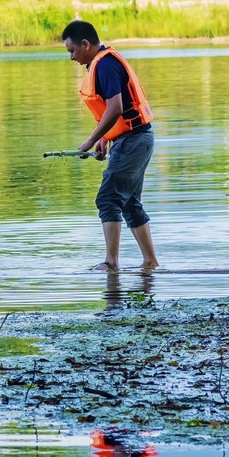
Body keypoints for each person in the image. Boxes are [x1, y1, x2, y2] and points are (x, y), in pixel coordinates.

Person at [63, 19, 159, 271]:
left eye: (72, 50)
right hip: (135, 138)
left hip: (134, 140)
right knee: (128, 202)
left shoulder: (104, 64)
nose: (71, 57)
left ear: (85, 44)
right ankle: (150, 262)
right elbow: (118, 108)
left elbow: (115, 108)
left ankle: (111, 262)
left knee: (107, 199)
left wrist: (91, 139)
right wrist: (106, 138)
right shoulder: (101, 62)